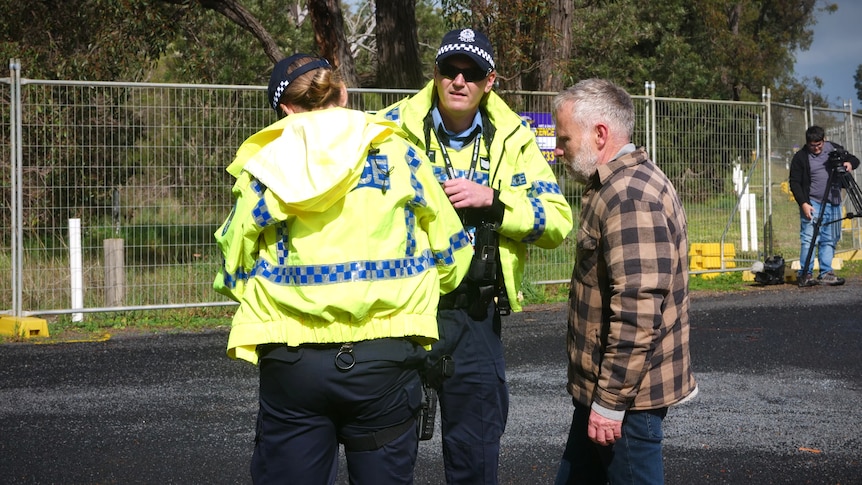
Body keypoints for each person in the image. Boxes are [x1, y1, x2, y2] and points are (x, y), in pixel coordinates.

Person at [213, 53, 473, 485]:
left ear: (286, 109)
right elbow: (452, 256)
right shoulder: (400, 154)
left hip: (293, 361)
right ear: (344, 93)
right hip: (386, 359)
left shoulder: (266, 164)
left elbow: (233, 263)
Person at [379, 28, 574, 484]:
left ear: (490, 81)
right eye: (450, 70)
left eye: (472, 73)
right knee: (385, 455)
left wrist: (494, 202)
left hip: (476, 313)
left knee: (475, 452)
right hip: (403, 310)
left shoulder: (517, 138)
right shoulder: (387, 128)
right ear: (436, 75)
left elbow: (558, 221)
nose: (459, 81)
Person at [552, 78, 698, 485]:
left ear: (600, 134)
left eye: (564, 138)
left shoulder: (629, 195)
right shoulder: (614, 184)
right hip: (607, 392)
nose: (559, 149)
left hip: (626, 400)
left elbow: (637, 309)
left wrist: (610, 403)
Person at [788, 125, 859, 287]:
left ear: (824, 140)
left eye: (819, 144)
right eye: (812, 145)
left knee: (830, 239)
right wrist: (804, 203)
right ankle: (805, 273)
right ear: (807, 143)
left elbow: (855, 160)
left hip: (834, 202)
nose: (816, 148)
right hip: (813, 203)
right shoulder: (801, 157)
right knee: (809, 239)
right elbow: (795, 182)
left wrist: (849, 164)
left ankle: (826, 273)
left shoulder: (833, 149)